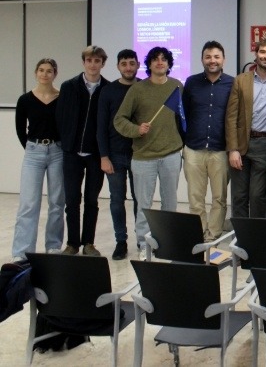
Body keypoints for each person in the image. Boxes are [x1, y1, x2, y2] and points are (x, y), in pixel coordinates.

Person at [113, 47, 185, 260]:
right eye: (155, 59)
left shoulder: (177, 87)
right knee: (144, 204)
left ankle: (168, 240)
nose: (160, 62)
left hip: (171, 154)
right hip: (144, 157)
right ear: (149, 64)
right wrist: (136, 130)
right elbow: (119, 119)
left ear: (169, 64)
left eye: (164, 59)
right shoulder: (137, 89)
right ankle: (144, 243)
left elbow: (182, 117)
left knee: (170, 203)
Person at [225, 39, 266, 219]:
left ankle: (256, 233)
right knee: (239, 196)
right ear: (256, 54)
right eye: (262, 52)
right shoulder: (240, 80)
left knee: (257, 195)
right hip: (241, 145)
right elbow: (231, 116)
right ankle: (239, 233)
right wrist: (232, 149)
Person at [56, 45, 109, 256]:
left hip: (96, 155)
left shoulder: (108, 88)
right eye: (89, 60)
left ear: (103, 64)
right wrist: (67, 142)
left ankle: (88, 243)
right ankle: (72, 244)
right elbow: (61, 117)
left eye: (97, 61)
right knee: (72, 201)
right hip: (72, 154)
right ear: (83, 62)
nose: (93, 65)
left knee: (92, 201)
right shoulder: (69, 86)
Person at [11, 59, 64, 261]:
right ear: (36, 73)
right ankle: (22, 251)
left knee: (57, 202)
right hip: (33, 153)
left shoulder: (62, 98)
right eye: (41, 70)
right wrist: (32, 148)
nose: (44, 74)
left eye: (49, 71)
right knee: (29, 203)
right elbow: (20, 129)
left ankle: (53, 246)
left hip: (57, 152)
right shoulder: (25, 99)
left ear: (55, 74)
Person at [182, 41, 234, 241]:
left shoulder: (232, 83)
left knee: (219, 197)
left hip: (220, 150)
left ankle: (213, 235)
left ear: (223, 60)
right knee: (195, 198)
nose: (212, 61)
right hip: (194, 149)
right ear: (202, 59)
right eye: (208, 57)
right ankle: (199, 233)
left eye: (216, 57)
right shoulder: (191, 82)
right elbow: (184, 114)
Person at [96, 49, 140, 260]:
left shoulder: (144, 87)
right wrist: (104, 156)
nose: (128, 68)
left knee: (141, 199)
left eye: (132, 63)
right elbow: (101, 126)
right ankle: (121, 241)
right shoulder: (108, 91)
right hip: (114, 155)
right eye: (124, 64)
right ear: (118, 66)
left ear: (138, 65)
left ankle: (142, 239)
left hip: (140, 154)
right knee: (116, 200)